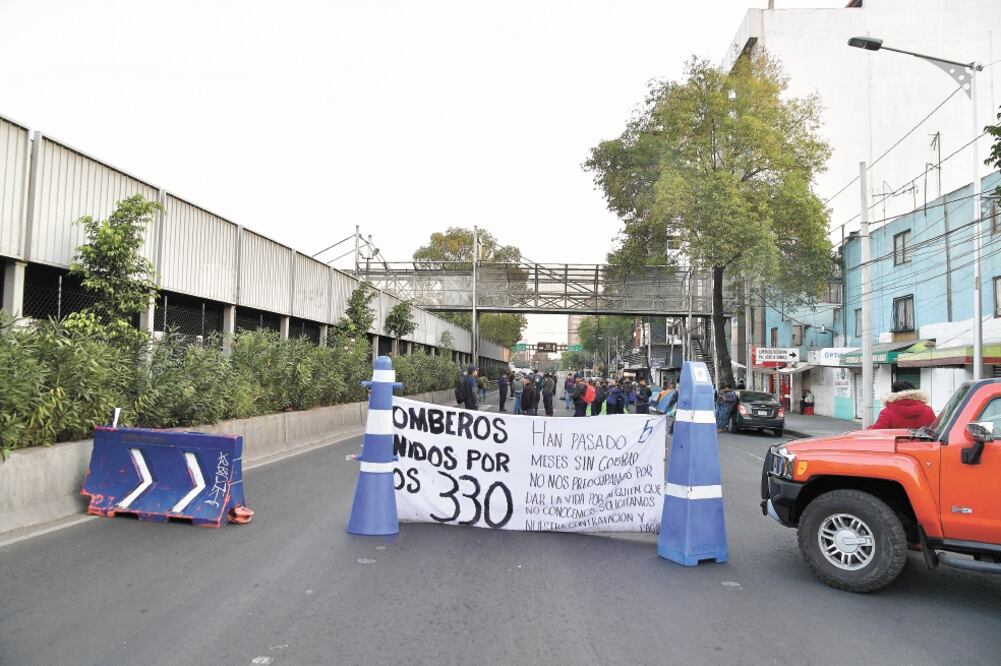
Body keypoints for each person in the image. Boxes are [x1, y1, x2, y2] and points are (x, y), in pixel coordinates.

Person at [870, 381, 936, 429]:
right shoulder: (928, 410)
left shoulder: (887, 412)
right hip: (924, 444)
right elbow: (936, 430)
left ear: (893, 394)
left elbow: (876, 432)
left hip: (895, 445)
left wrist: (868, 428)